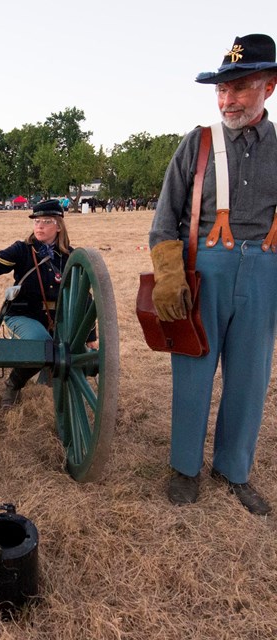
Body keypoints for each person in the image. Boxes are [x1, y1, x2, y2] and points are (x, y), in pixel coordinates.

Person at [149, 34, 277, 515]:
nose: (228, 99)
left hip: (265, 274)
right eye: (221, 89)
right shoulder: (197, 143)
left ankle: (233, 469)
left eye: (240, 87)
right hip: (205, 272)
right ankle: (185, 467)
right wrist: (168, 275)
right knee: (194, 371)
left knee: (250, 378)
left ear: (269, 87)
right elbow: (164, 220)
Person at [0, 199, 97, 410]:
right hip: (24, 314)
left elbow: (84, 296)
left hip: (58, 320)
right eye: (36, 221)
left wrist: (90, 337)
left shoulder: (71, 256)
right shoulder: (23, 250)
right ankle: (13, 384)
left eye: (46, 221)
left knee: (59, 346)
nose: (39, 226)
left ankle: (49, 369)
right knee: (39, 341)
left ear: (59, 225)